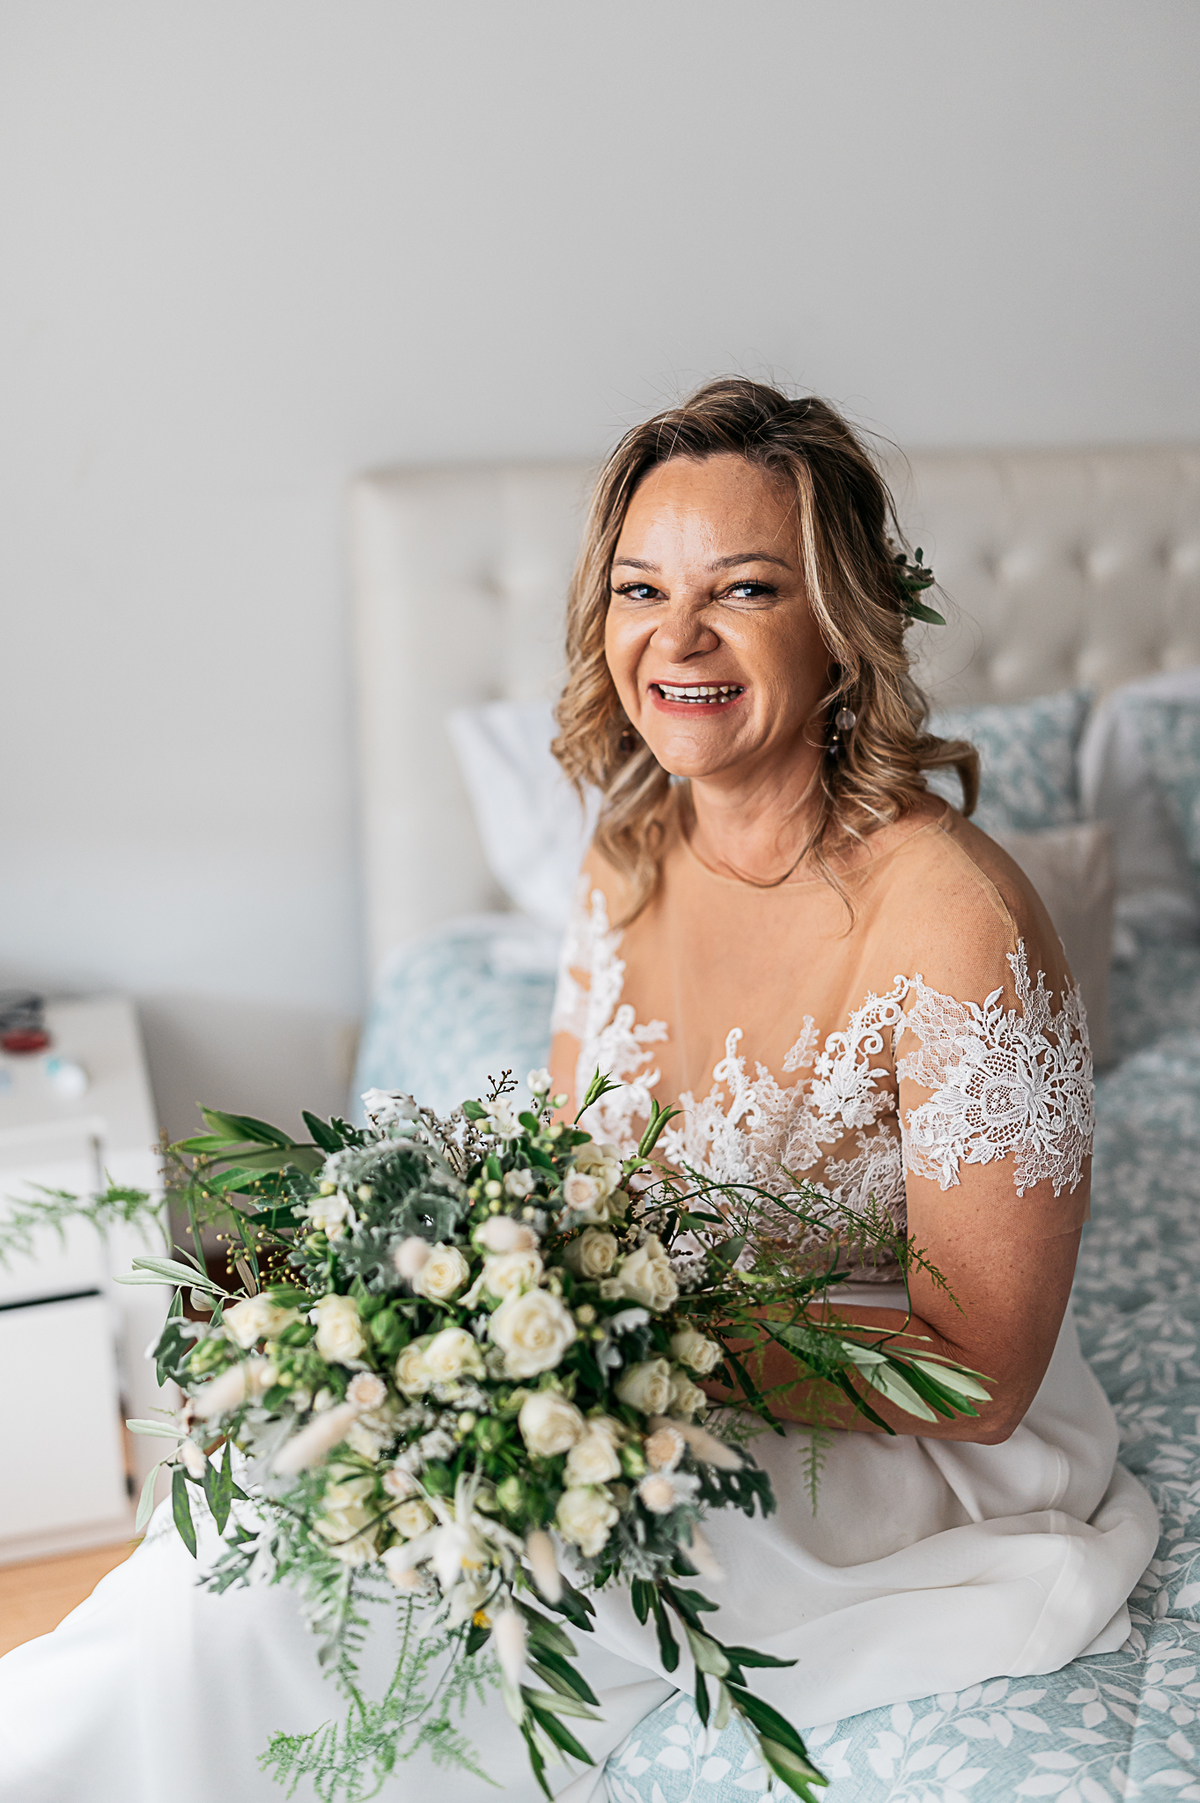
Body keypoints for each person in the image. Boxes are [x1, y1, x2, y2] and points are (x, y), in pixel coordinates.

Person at [0, 379, 1158, 1803]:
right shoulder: (625, 854)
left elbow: (979, 1378)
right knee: (265, 1502)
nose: (678, 637)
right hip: (645, 1365)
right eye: (640, 589)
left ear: (840, 621)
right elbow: (572, 1178)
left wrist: (624, 1349)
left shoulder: (960, 918)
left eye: (744, 589)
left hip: (889, 1437)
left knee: (397, 1583)